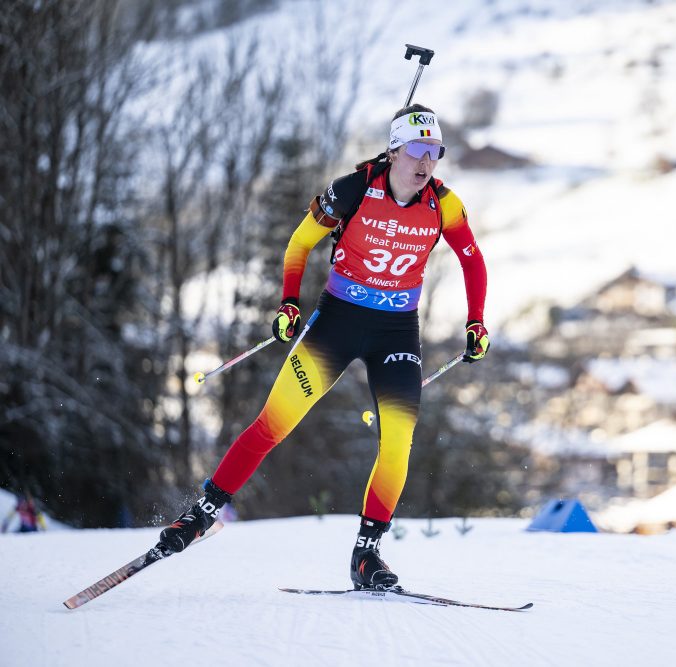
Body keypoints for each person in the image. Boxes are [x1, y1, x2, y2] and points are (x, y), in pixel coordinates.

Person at [156, 104, 488, 590]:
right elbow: (298, 243)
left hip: (396, 332)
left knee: (398, 441)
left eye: (435, 153)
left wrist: (476, 320)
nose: (426, 163)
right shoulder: (352, 190)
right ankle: (201, 514)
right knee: (274, 424)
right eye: (417, 151)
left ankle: (366, 555)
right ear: (394, 150)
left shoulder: (445, 204)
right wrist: (289, 303)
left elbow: (472, 262)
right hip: (337, 322)